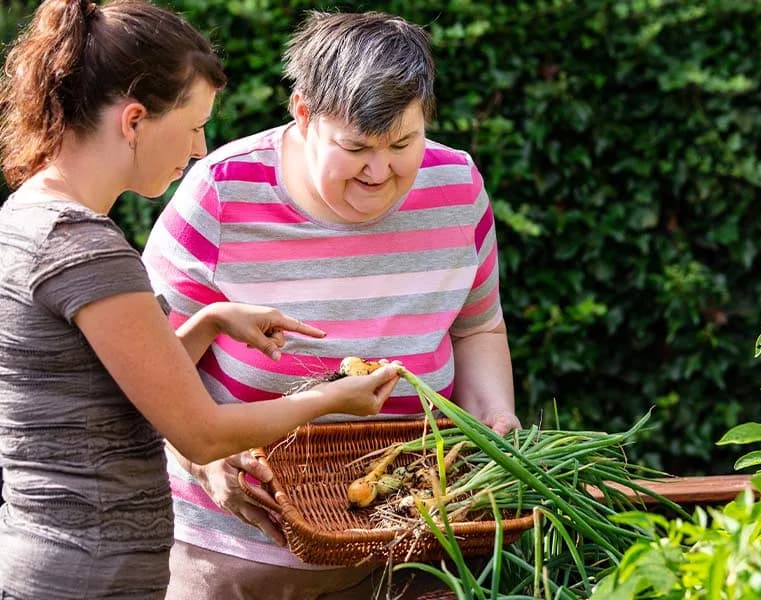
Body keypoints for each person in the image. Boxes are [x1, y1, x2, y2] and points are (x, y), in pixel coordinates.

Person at [0, 2, 402, 599]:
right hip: (88, 571)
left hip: (50, 555)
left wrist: (210, 320)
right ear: (134, 121)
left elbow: (118, 388)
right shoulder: (86, 246)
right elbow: (201, 433)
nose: (198, 148)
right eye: (193, 125)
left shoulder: (28, 213)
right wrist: (329, 401)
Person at [142, 10, 520, 600]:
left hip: (419, 542)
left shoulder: (458, 187)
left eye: (403, 143)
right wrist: (204, 461)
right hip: (241, 550)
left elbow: (478, 329)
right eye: (356, 148)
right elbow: (144, 371)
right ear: (303, 114)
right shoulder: (222, 193)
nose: (380, 172)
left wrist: (497, 418)